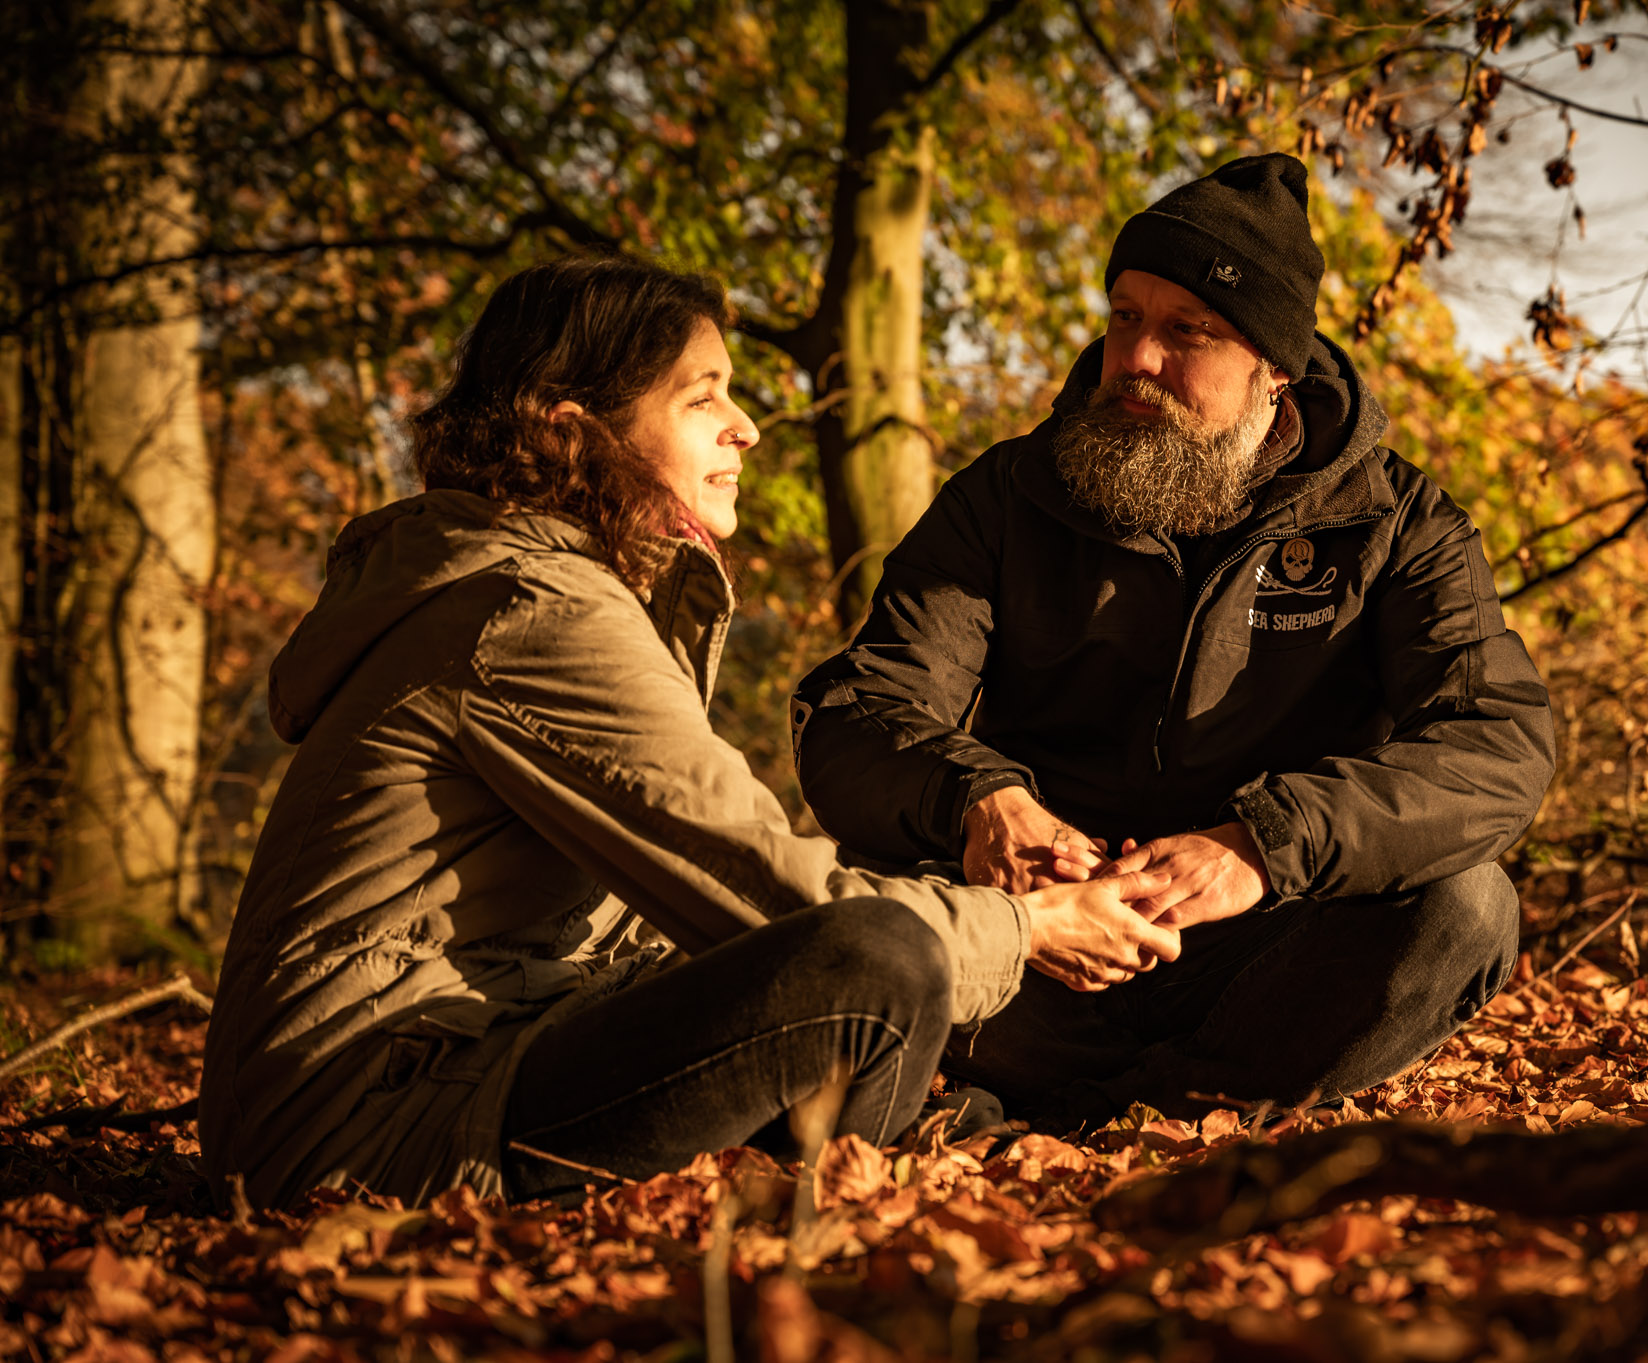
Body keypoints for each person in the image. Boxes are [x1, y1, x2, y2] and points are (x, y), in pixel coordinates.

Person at [199, 255, 1178, 1209]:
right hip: (365, 1118)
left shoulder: (534, 584)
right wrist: (1032, 926)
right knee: (877, 959)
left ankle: (931, 1163)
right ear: (573, 429)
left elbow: (662, 921)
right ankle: (841, 1243)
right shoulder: (532, 609)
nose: (747, 428)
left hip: (456, 1061)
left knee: (888, 975)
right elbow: (771, 896)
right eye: (701, 397)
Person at [791, 154, 1555, 1131]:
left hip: (1257, 963)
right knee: (847, 916)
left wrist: (1262, 848)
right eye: (1123, 317)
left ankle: (1116, 1115)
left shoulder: (1395, 524)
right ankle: (1118, 1109)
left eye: (1185, 331)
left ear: (1273, 372)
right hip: (1037, 947)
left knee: (1467, 908)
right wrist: (979, 800)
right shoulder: (1004, 496)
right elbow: (857, 713)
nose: (1136, 358)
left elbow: (1496, 747)